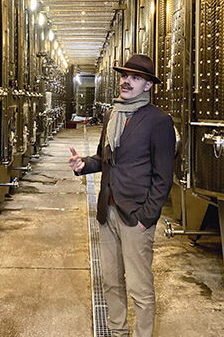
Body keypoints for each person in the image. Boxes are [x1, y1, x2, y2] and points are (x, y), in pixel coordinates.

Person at [69, 54, 175, 337]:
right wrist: (84, 165)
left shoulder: (159, 121)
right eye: (125, 76)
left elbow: (163, 178)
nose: (127, 81)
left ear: (148, 86)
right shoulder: (111, 115)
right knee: (111, 282)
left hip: (135, 216)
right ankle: (117, 332)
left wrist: (146, 218)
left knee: (139, 288)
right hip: (108, 211)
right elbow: (105, 159)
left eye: (136, 78)